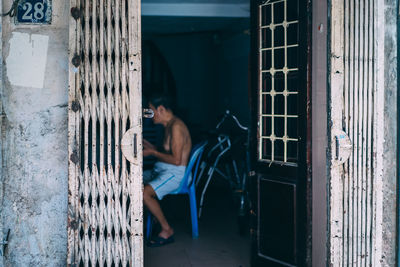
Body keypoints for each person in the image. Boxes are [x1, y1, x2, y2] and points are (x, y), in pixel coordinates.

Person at [143, 94, 192, 247]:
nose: (150, 116)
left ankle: (166, 229)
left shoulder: (176, 127)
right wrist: (151, 147)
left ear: (161, 109)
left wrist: (153, 153)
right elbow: (168, 151)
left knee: (144, 193)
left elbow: (176, 160)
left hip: (175, 174)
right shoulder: (169, 125)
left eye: (151, 111)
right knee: (131, 180)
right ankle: (155, 218)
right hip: (164, 169)